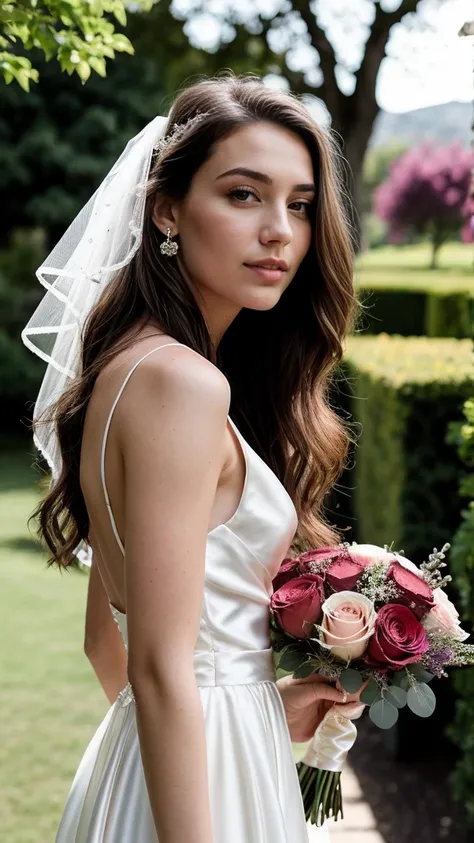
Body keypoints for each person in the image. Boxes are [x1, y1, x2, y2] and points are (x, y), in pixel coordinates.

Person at [22, 73, 364, 843]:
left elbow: (108, 640)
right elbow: (158, 666)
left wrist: (257, 708)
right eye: (244, 194)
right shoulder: (184, 382)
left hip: (159, 768)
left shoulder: (129, 368)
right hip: (199, 800)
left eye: (300, 204)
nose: (280, 229)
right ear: (167, 207)